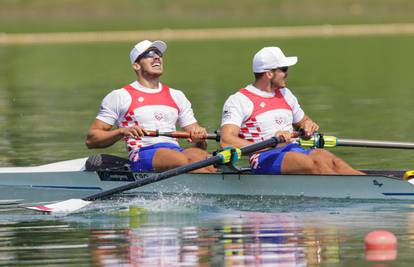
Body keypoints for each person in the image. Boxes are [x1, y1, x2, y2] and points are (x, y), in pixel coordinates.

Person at [220, 46, 364, 175]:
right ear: (269, 73)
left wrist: (307, 125)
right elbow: (226, 141)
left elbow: (304, 121)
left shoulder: (285, 94)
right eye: (284, 69)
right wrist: (271, 143)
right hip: (263, 157)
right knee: (317, 165)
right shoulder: (239, 100)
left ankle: (368, 185)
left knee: (332, 161)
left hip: (294, 149)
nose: (287, 73)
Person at [86, 40, 214, 173]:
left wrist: (199, 138)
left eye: (159, 54)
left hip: (176, 152)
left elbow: (199, 146)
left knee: (208, 161)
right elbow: (92, 139)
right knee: (183, 160)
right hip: (142, 153)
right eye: (150, 54)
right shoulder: (120, 96)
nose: (157, 57)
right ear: (136, 65)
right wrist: (121, 131)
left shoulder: (177, 95)